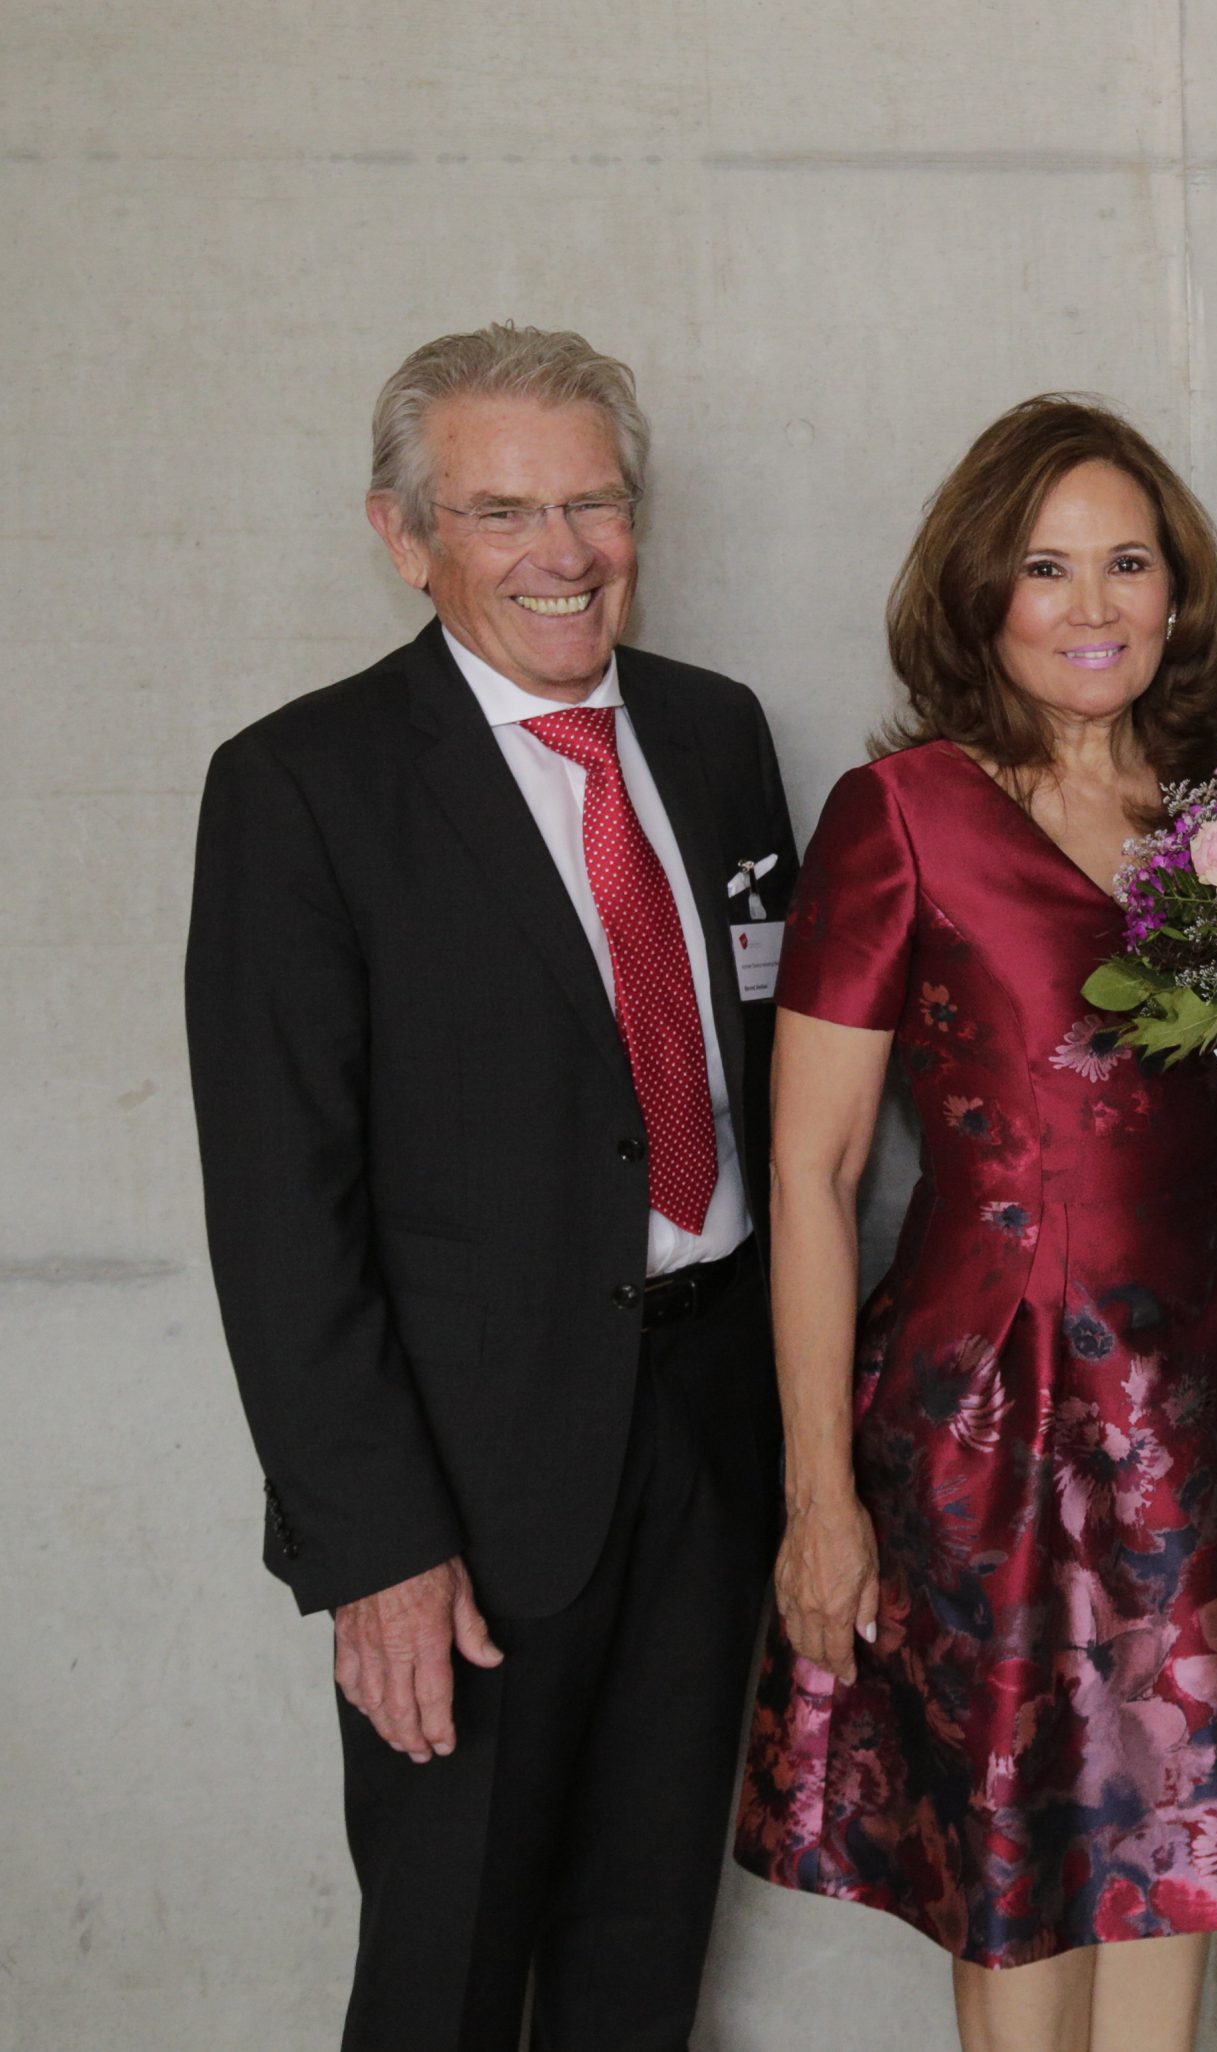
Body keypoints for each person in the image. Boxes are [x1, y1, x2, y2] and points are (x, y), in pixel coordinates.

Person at [184, 323, 797, 2050]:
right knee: (449, 1965)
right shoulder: (301, 790)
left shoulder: (717, 733)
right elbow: (276, 1214)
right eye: (506, 512)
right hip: (467, 1490)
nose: (563, 553)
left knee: (643, 1943)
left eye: (595, 503)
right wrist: (375, 1552)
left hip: (707, 1432)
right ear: (404, 536)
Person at [730, 396, 1217, 2052]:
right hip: (988, 1414)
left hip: (1210, 1401)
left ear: (1177, 592)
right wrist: (816, 1499)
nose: (1093, 607)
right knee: (1012, 1855)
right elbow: (812, 1170)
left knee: (1179, 1843)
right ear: (981, 600)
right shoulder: (905, 815)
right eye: (1047, 568)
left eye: (1128, 563)